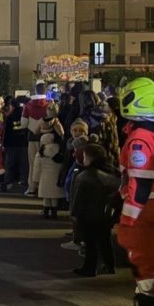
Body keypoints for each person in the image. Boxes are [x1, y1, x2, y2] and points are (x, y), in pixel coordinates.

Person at [116, 77, 154, 305]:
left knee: (144, 266)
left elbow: (138, 184)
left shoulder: (139, 138)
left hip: (143, 213)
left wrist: (128, 222)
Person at [71, 143, 119, 277]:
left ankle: (89, 268)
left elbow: (79, 199)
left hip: (89, 215)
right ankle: (109, 265)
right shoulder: (113, 172)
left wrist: (75, 215)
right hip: (107, 213)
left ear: (90, 158)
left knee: (90, 242)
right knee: (104, 240)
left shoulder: (86, 176)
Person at [21, 82, 50, 197]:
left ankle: (32, 188)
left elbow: (23, 124)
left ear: (35, 90)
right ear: (46, 91)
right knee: (47, 164)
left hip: (32, 138)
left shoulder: (28, 105)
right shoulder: (50, 105)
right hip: (47, 138)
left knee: (33, 163)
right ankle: (45, 189)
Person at [33, 133, 64, 218]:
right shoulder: (59, 150)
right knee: (54, 196)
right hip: (56, 176)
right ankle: (54, 213)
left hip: (44, 177)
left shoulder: (41, 152)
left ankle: (45, 211)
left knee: (46, 196)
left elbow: (37, 167)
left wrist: (35, 179)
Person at [3, 96, 29, 189]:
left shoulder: (10, 116)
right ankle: (24, 181)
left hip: (11, 143)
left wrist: (4, 144)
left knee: (10, 164)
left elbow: (7, 131)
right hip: (23, 143)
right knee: (24, 164)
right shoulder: (26, 115)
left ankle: (8, 181)